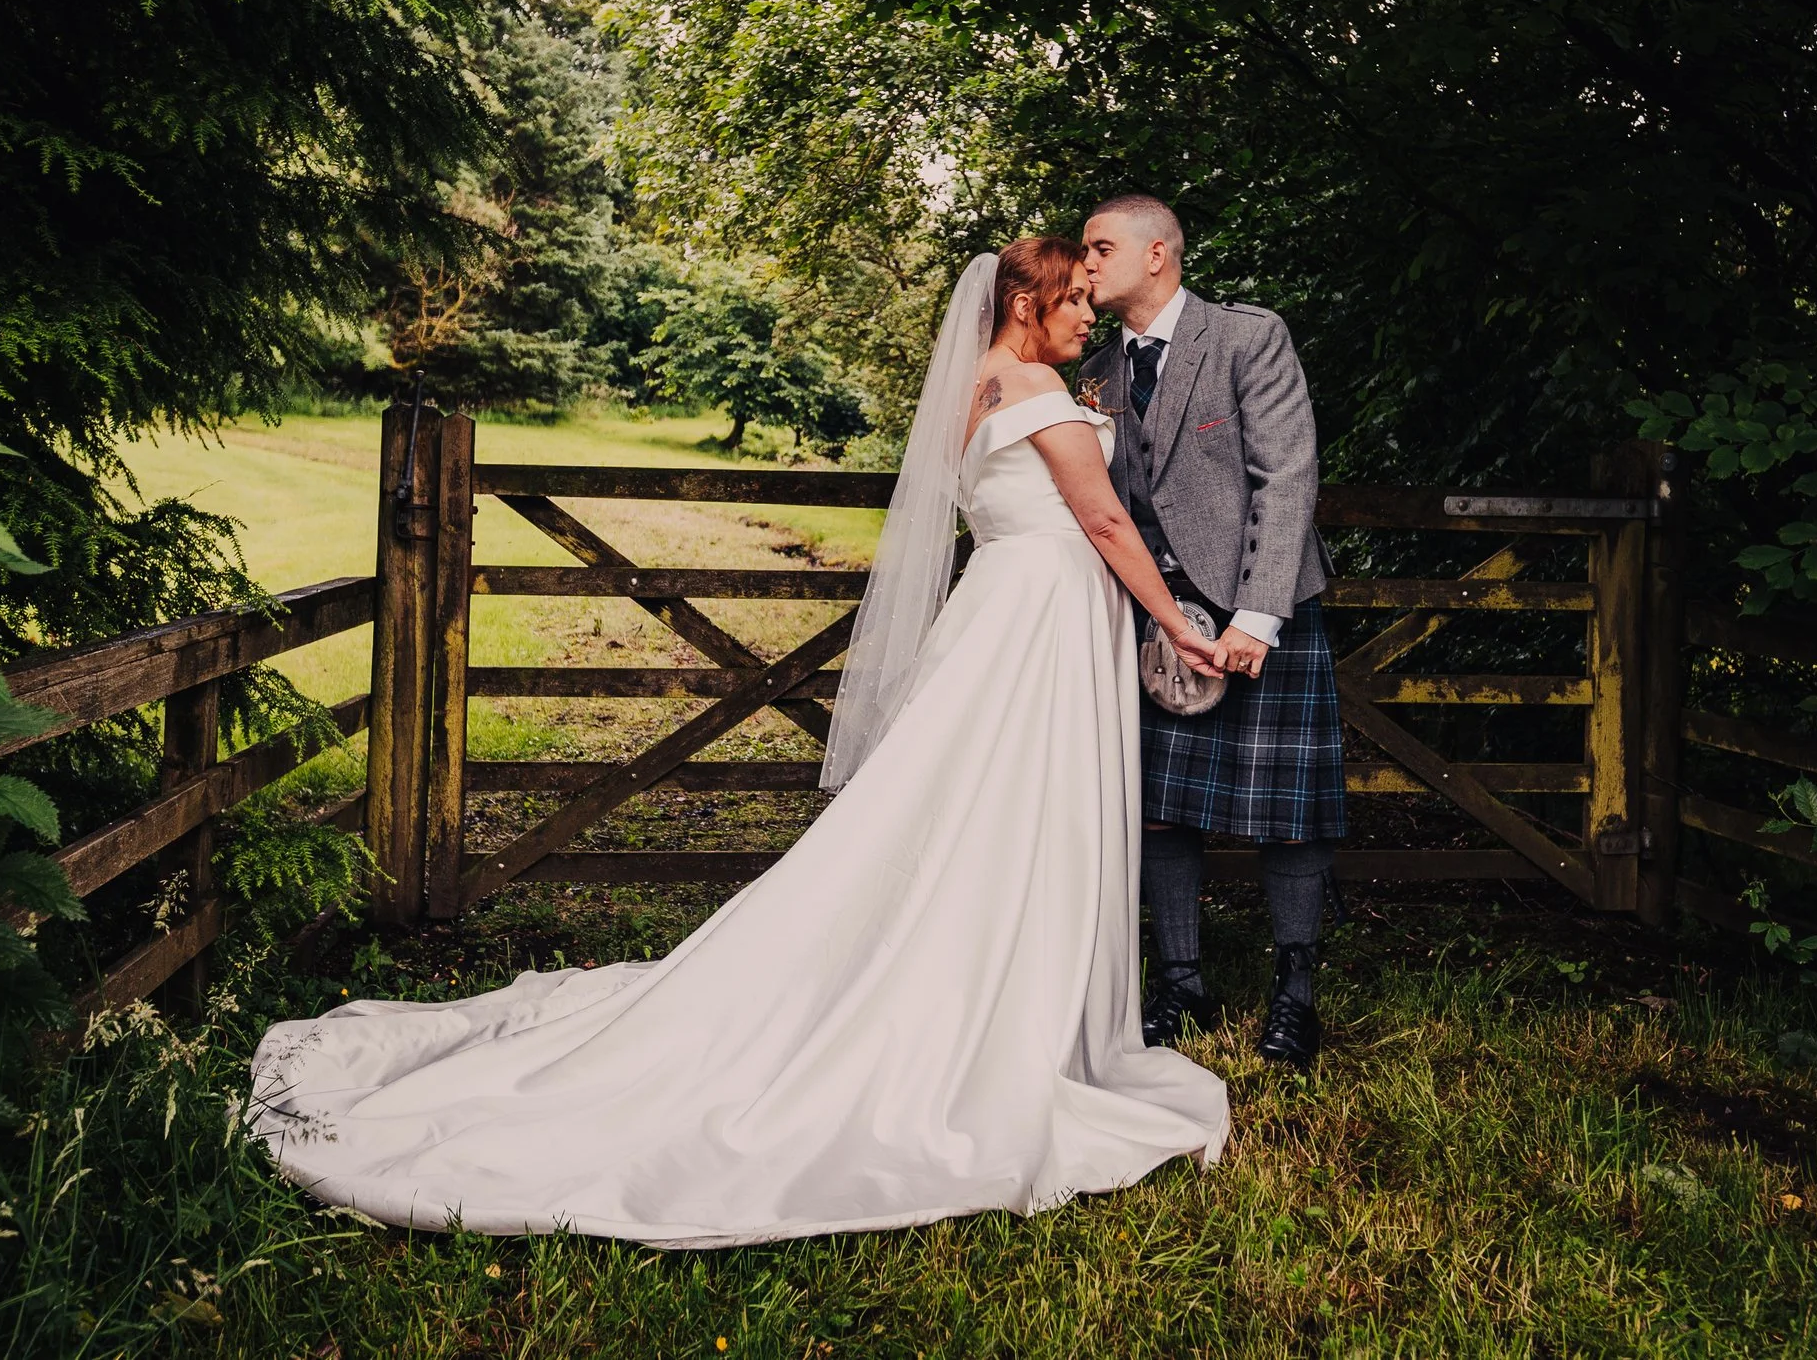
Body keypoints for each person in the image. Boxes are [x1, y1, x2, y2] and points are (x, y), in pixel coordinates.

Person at [246, 237, 1233, 1246]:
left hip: (997, 608)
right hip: (1042, 621)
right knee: (1021, 810)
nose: (1086, 316)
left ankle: (973, 976)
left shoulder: (971, 392)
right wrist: (1176, 622)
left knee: (963, 812)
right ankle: (1002, 1013)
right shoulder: (1031, 383)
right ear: (1022, 304)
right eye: (1071, 298)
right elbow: (1106, 524)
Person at [1078, 195, 1347, 1066]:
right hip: (1155, 622)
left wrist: (1257, 617)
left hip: (1258, 611)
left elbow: (1286, 472)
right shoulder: (1094, 373)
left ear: (1158, 253)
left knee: (1286, 813)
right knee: (1158, 809)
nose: (1085, 265)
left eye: (1100, 247)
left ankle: (1296, 998)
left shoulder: (1244, 337)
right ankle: (1184, 983)